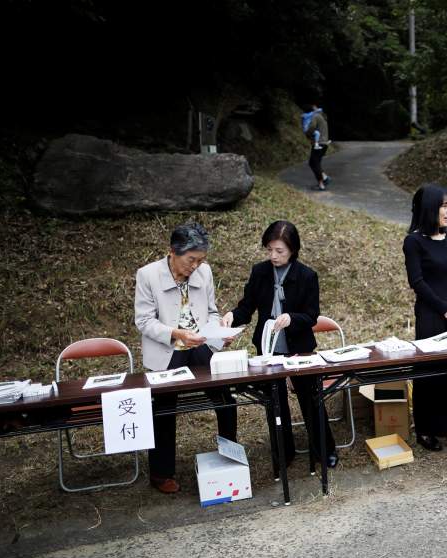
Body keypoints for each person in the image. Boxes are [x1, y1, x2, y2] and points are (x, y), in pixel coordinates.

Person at [221, 220, 338, 468]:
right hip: (268, 348)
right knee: (275, 402)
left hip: (299, 347)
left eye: (279, 251)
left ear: (292, 250)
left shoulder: (306, 276)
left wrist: (291, 318)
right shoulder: (260, 272)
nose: (273, 256)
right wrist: (232, 316)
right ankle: (284, 452)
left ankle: (324, 449)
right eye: (269, 250)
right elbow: (247, 307)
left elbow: (311, 315)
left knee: (310, 398)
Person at [134, 222, 238, 494]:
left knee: (225, 399)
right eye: (191, 260)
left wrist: (218, 333)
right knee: (163, 409)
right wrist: (175, 333)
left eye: (200, 260)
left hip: (200, 347)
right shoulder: (148, 275)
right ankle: (161, 473)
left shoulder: (204, 272)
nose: (195, 266)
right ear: (173, 251)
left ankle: (231, 459)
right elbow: (143, 321)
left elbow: (212, 312)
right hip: (168, 350)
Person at [403, 184, 447, 451]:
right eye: (443, 206)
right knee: (430, 371)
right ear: (430, 208)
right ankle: (427, 429)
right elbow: (417, 281)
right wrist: (443, 307)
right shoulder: (414, 242)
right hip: (431, 314)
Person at [302, 103, 331, 191]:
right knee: (315, 163)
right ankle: (325, 178)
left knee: (314, 163)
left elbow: (312, 127)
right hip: (324, 143)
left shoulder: (315, 116)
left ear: (315, 107)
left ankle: (321, 184)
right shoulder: (322, 116)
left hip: (319, 143)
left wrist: (307, 133)